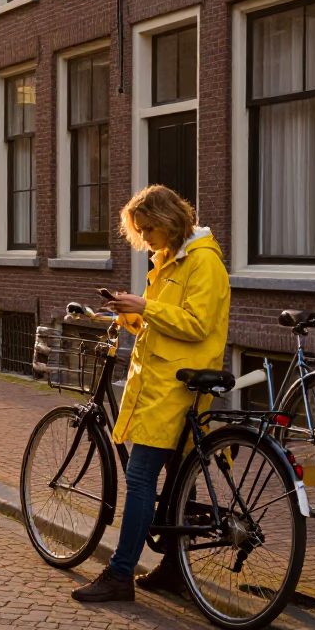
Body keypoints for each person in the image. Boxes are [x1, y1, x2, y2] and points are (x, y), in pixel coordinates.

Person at [71, 184, 230, 603]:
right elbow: (161, 323)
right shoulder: (168, 262)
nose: (143, 238)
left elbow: (197, 324)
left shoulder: (203, 262)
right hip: (160, 383)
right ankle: (175, 569)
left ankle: (120, 574)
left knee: (141, 477)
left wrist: (146, 307)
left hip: (177, 388)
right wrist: (128, 313)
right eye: (137, 231)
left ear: (168, 221)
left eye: (147, 229)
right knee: (178, 479)